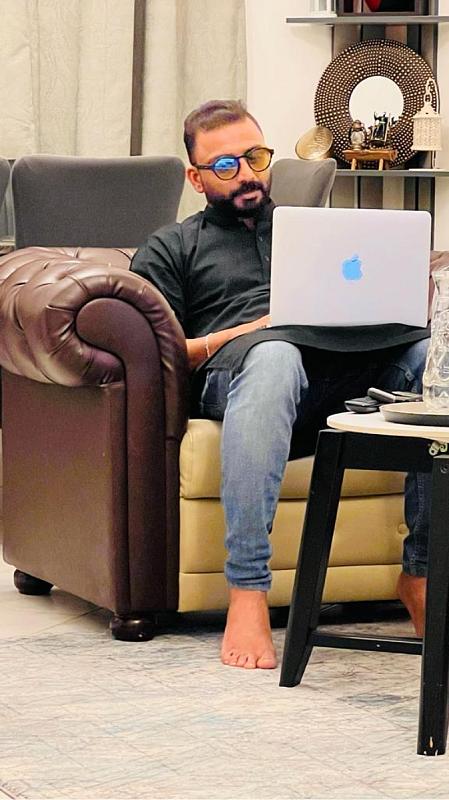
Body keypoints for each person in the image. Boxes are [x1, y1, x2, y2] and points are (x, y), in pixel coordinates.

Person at [131, 99, 433, 669]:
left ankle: (422, 574)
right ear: (196, 178)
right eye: (226, 165)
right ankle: (247, 590)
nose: (247, 174)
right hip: (244, 375)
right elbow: (159, 352)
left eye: (256, 157)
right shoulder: (173, 246)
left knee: (432, 358)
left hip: (343, 374)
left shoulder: (322, 231)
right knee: (276, 355)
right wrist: (252, 330)